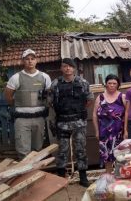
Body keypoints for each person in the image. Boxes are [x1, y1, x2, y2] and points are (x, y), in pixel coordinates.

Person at [50, 58, 94, 187]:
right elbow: (50, 102)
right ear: (61, 68)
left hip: (79, 122)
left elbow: (89, 99)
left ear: (74, 68)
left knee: (80, 149)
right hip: (62, 122)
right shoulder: (55, 84)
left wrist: (79, 110)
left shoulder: (83, 82)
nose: (67, 68)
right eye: (65, 66)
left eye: (70, 66)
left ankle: (83, 177)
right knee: (62, 150)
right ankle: (61, 177)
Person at [4, 49, 51, 159]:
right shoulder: (16, 77)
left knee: (37, 149)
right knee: (23, 149)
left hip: (39, 118)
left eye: (32, 59)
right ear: (23, 61)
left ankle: (35, 174)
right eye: (27, 59)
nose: (30, 61)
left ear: (36, 61)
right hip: (22, 119)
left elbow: (49, 95)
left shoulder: (45, 77)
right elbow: (8, 96)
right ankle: (25, 174)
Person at [92, 74, 126, 173]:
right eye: (109, 83)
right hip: (104, 133)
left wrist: (126, 131)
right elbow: (94, 115)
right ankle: (108, 177)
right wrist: (96, 131)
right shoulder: (100, 97)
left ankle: (120, 178)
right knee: (106, 156)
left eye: (114, 83)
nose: (112, 85)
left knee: (120, 156)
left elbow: (127, 115)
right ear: (106, 84)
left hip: (119, 132)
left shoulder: (122, 97)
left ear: (118, 85)